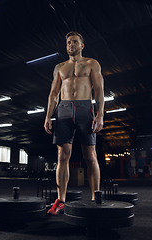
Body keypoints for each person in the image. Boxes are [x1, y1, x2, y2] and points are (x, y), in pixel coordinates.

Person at [44, 31, 104, 215]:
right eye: (69, 42)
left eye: (75, 42)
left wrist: (100, 114)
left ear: (82, 45)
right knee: (62, 155)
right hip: (63, 109)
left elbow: (99, 90)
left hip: (85, 108)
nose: (71, 45)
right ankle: (60, 201)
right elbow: (54, 94)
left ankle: (96, 199)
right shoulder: (59, 67)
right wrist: (48, 116)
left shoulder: (92, 63)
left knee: (90, 154)